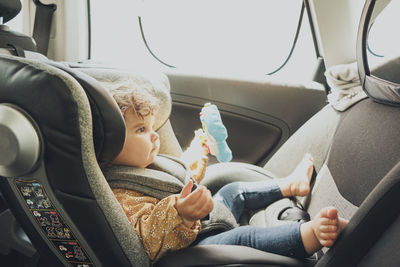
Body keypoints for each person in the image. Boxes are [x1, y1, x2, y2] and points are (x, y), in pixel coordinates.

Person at [106, 87, 348, 263]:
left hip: (201, 223)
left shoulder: (144, 166)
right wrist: (180, 212)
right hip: (189, 249)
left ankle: (289, 185)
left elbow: (181, 177)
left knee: (234, 191)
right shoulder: (118, 193)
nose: (154, 136)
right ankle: (310, 234)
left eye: (151, 128)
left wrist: (198, 154)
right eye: (141, 130)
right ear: (110, 144)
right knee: (245, 237)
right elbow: (146, 240)